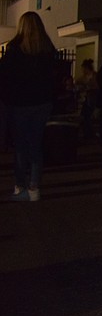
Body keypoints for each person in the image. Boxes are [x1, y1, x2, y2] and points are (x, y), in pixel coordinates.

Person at [0, 11, 58, 202]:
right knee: (35, 143)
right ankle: (34, 187)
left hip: (19, 103)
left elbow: (6, 78)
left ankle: (20, 186)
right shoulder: (48, 49)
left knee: (20, 146)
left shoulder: (14, 48)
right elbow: (54, 78)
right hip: (42, 103)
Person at [75, 59, 98, 142]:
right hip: (84, 99)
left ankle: (89, 133)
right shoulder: (82, 78)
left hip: (91, 99)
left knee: (87, 116)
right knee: (85, 116)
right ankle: (87, 133)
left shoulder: (94, 76)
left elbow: (96, 87)